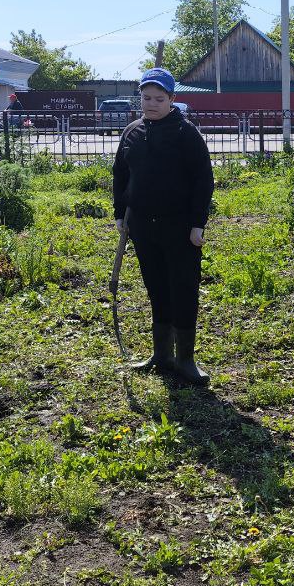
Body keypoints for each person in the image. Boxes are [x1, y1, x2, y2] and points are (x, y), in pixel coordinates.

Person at [112, 66, 215, 385]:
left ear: (172, 99)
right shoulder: (132, 132)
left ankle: (185, 359)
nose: (151, 103)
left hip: (180, 227)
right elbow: (120, 175)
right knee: (156, 288)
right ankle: (161, 354)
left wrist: (198, 223)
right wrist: (119, 214)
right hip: (143, 225)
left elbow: (203, 180)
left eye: (159, 98)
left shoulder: (186, 133)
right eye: (146, 97)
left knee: (183, 289)